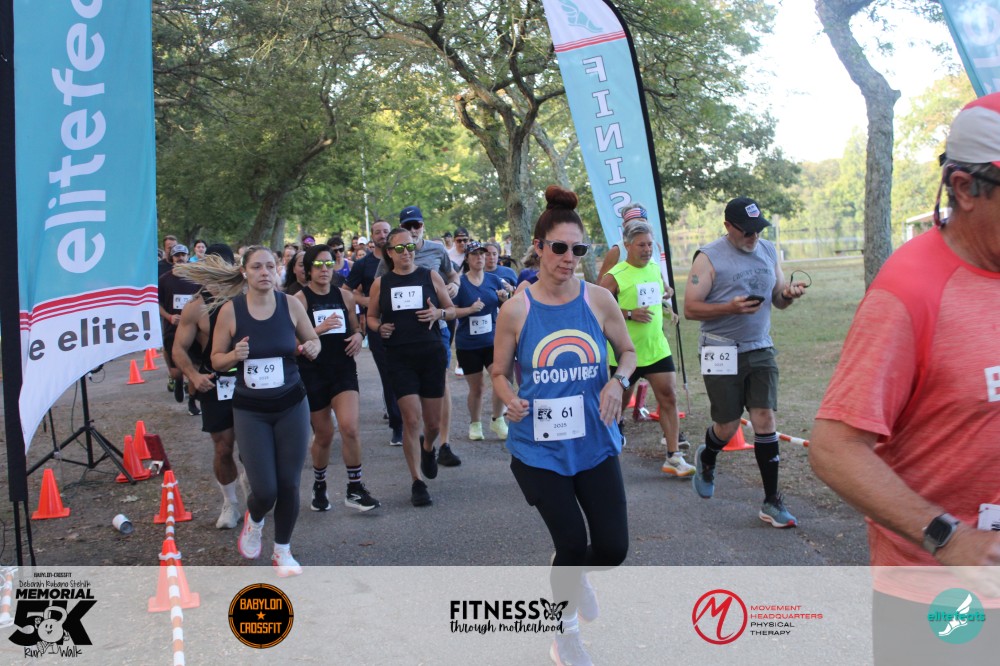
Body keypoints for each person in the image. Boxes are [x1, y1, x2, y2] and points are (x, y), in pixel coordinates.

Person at [810, 93, 1000, 663]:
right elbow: (834, 448)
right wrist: (948, 537)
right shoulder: (909, 292)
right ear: (965, 188)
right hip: (940, 596)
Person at [492, 185, 635, 666]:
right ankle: (565, 634)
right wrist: (509, 398)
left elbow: (629, 352)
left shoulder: (598, 299)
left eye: (579, 249)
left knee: (612, 549)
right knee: (571, 542)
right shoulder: (517, 309)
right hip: (539, 449)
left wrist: (617, 381)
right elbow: (498, 372)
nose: (569, 258)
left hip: (594, 442)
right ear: (538, 247)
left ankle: (571, 573)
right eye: (559, 248)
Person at [196, 246, 320, 577]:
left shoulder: (290, 304)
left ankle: (282, 551)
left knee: (289, 483)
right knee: (265, 489)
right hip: (251, 411)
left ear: (277, 270)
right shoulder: (231, 311)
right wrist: (233, 356)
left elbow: (313, 340)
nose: (264, 272)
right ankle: (255, 518)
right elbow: (216, 359)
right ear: (245, 272)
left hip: (291, 403)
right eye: (256, 267)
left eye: (269, 266)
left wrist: (312, 346)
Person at [683, 197, 806, 527]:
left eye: (758, 230)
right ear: (728, 227)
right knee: (727, 425)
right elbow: (690, 308)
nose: (754, 237)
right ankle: (709, 454)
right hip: (719, 349)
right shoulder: (709, 257)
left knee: (764, 417)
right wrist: (729, 308)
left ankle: (772, 501)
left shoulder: (767, 250)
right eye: (747, 231)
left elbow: (777, 299)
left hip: (760, 346)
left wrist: (788, 295)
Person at [367, 228, 457, 507]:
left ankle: (428, 447)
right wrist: (379, 327)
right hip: (399, 357)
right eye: (399, 249)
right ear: (389, 253)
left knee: (432, 424)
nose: (406, 253)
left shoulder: (430, 276)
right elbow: (370, 317)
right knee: (411, 420)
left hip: (430, 355)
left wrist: (438, 313)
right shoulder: (381, 284)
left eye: (410, 247)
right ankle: (417, 481)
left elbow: (451, 310)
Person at [599, 221, 693, 477]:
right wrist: (629, 313)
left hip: (656, 348)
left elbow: (656, 293)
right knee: (618, 403)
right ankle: (609, 449)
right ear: (627, 245)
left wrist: (666, 300)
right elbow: (596, 307)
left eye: (650, 244)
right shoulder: (615, 275)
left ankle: (673, 456)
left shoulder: (653, 267)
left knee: (669, 397)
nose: (647, 249)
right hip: (625, 352)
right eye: (641, 245)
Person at [294, 243, 379, 513]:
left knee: (350, 428)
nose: (324, 269)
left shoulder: (345, 296)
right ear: (309, 269)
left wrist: (359, 336)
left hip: (343, 370)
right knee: (324, 435)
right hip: (313, 372)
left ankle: (355, 489)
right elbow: (291, 342)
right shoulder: (299, 300)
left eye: (329, 264)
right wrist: (317, 330)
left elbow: (356, 328)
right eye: (318, 265)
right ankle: (319, 484)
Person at [379, 205, 462, 468]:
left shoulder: (437, 250)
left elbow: (453, 274)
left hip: (436, 331)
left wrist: (454, 285)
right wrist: (380, 324)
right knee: (413, 407)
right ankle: (416, 447)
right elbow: (379, 291)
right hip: (403, 340)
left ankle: (443, 443)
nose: (413, 230)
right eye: (408, 226)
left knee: (441, 384)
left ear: (423, 226)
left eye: (417, 225)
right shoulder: (391, 258)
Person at [172, 244, 244, 529]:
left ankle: (254, 485)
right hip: (215, 382)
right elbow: (179, 348)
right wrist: (193, 375)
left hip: (250, 379)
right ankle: (230, 503)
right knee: (223, 447)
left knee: (253, 446)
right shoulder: (196, 306)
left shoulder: (248, 297)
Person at [346, 219, 404, 446]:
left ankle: (413, 421)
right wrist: (369, 302)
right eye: (378, 232)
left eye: (386, 231)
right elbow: (347, 292)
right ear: (372, 236)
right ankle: (397, 426)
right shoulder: (363, 264)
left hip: (406, 327)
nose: (382, 235)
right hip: (379, 327)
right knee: (389, 375)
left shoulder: (404, 258)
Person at [452, 240, 511, 441]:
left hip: (492, 341)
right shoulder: (460, 283)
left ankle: (498, 419)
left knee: (500, 378)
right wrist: (469, 310)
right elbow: (451, 312)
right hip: (468, 344)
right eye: (475, 254)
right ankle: (475, 424)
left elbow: (506, 306)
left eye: (482, 254)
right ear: (467, 258)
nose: (480, 258)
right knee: (477, 388)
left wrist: (504, 299)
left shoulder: (494, 280)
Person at [158, 244, 202, 409]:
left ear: (188, 256)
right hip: (173, 329)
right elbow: (156, 303)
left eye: (183, 255)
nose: (181, 258)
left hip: (193, 329)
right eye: (177, 256)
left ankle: (192, 401)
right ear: (172, 259)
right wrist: (169, 317)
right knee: (177, 372)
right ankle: (177, 381)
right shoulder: (164, 280)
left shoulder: (196, 278)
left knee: (194, 367)